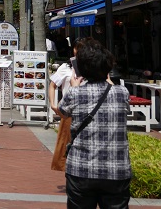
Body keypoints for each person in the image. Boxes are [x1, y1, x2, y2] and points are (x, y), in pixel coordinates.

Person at [58, 38, 131, 209]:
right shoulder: (122, 92)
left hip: (81, 169)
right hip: (116, 170)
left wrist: (74, 87)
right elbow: (119, 97)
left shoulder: (74, 94)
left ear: (81, 69)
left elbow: (62, 112)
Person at [49, 39, 83, 172]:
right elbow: (52, 85)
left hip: (88, 113)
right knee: (65, 147)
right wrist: (53, 105)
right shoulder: (66, 68)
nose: (79, 51)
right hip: (68, 113)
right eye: (77, 48)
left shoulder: (92, 68)